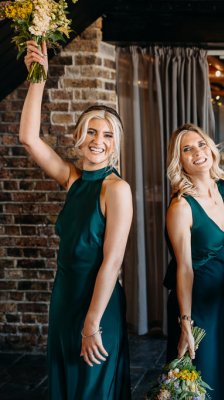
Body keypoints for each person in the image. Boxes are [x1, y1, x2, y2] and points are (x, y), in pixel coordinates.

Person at [20, 41, 132, 399]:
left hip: (96, 304)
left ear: (115, 145)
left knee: (91, 390)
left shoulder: (116, 189)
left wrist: (92, 322)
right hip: (65, 297)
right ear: (79, 138)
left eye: (108, 135)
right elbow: (27, 137)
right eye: (92, 132)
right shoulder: (72, 180)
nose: (99, 140)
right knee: (66, 387)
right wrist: (38, 76)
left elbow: (112, 264)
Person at [163, 124, 224, 400]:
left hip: (215, 301)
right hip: (191, 305)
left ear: (211, 148)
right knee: (191, 383)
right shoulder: (181, 206)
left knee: (215, 378)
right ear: (179, 160)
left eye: (201, 144)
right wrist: (186, 322)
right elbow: (184, 268)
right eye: (187, 149)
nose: (197, 152)